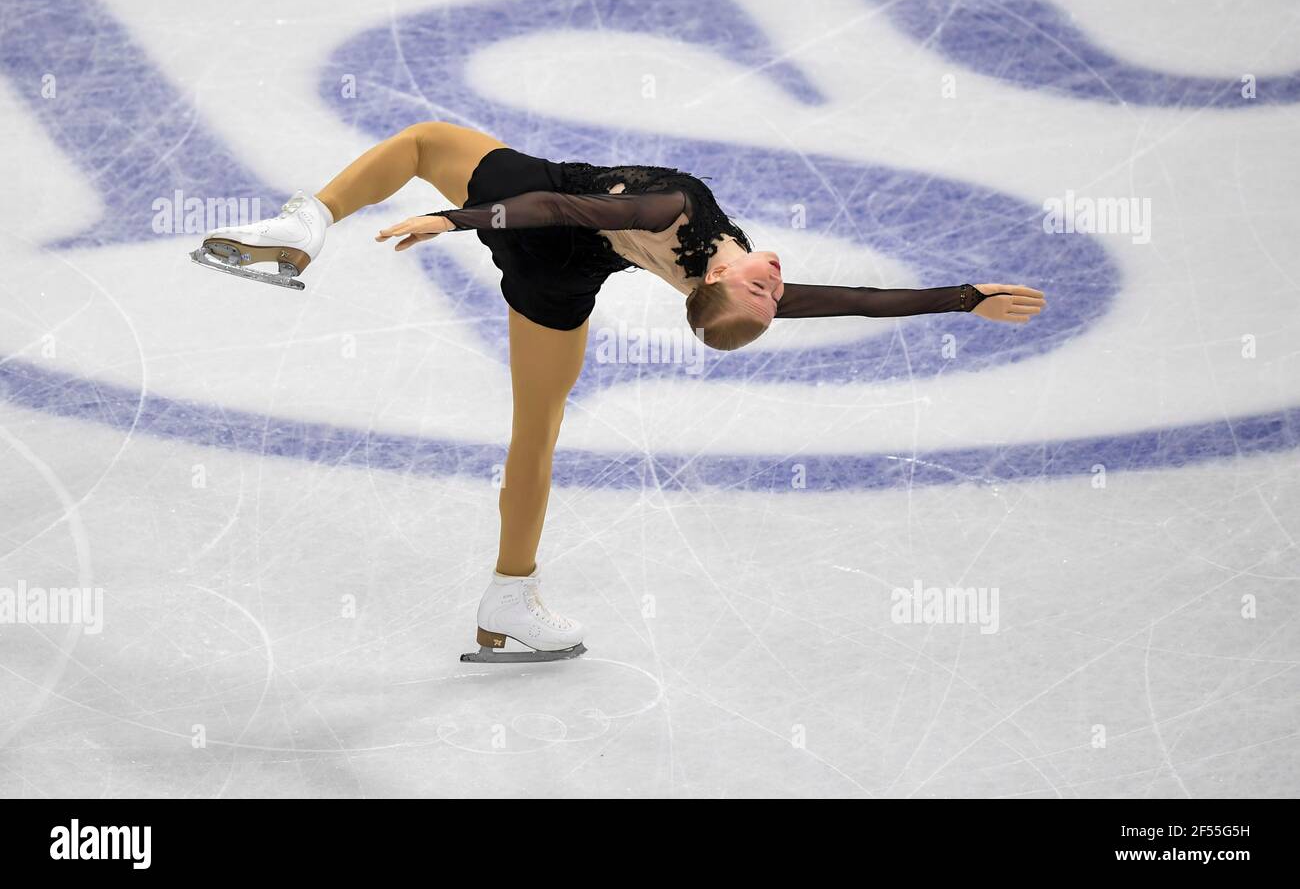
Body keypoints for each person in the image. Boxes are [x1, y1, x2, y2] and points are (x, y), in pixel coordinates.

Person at [191, 121, 1046, 663]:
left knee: (422, 145)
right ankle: (507, 597)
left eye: (762, 292)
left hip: (540, 211)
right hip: (561, 276)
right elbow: (854, 300)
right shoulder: (719, 278)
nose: (779, 282)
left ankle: (303, 224)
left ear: (711, 286)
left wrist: (453, 219)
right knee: (537, 434)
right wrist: (963, 298)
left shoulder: (675, 213)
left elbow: (563, 212)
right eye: (774, 292)